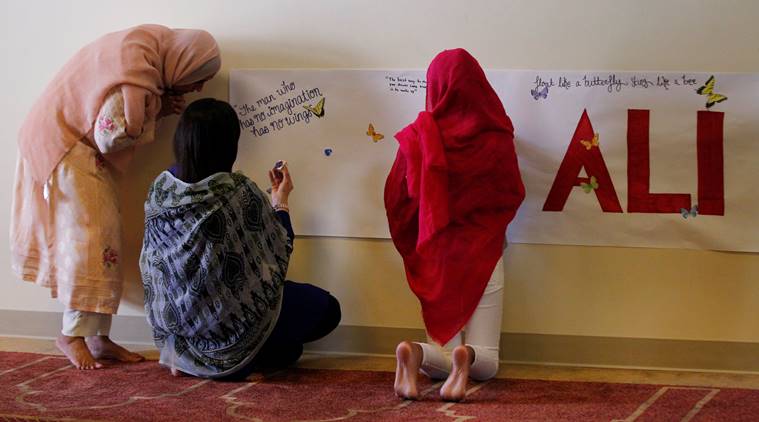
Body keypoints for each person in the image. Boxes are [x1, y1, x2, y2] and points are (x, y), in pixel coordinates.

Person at [10, 24, 221, 370]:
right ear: (182, 64)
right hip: (66, 148)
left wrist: (157, 106)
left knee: (104, 243)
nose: (198, 87)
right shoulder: (135, 77)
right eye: (197, 78)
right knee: (89, 242)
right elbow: (109, 136)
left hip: (74, 149)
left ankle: (97, 337)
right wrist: (155, 111)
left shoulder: (140, 61)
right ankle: (71, 335)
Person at [140, 98, 341, 379]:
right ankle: (236, 364)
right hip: (228, 323)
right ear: (229, 144)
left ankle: (194, 361)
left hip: (176, 327)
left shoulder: (160, 190)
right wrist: (280, 201)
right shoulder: (237, 192)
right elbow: (281, 247)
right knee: (328, 311)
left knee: (290, 348)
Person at [384, 49, 525, 401]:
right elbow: (512, 194)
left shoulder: (417, 136)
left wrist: (416, 244)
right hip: (484, 254)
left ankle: (415, 352)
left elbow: (396, 200)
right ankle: (469, 360)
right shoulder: (497, 135)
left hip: (436, 260)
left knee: (441, 354)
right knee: (488, 361)